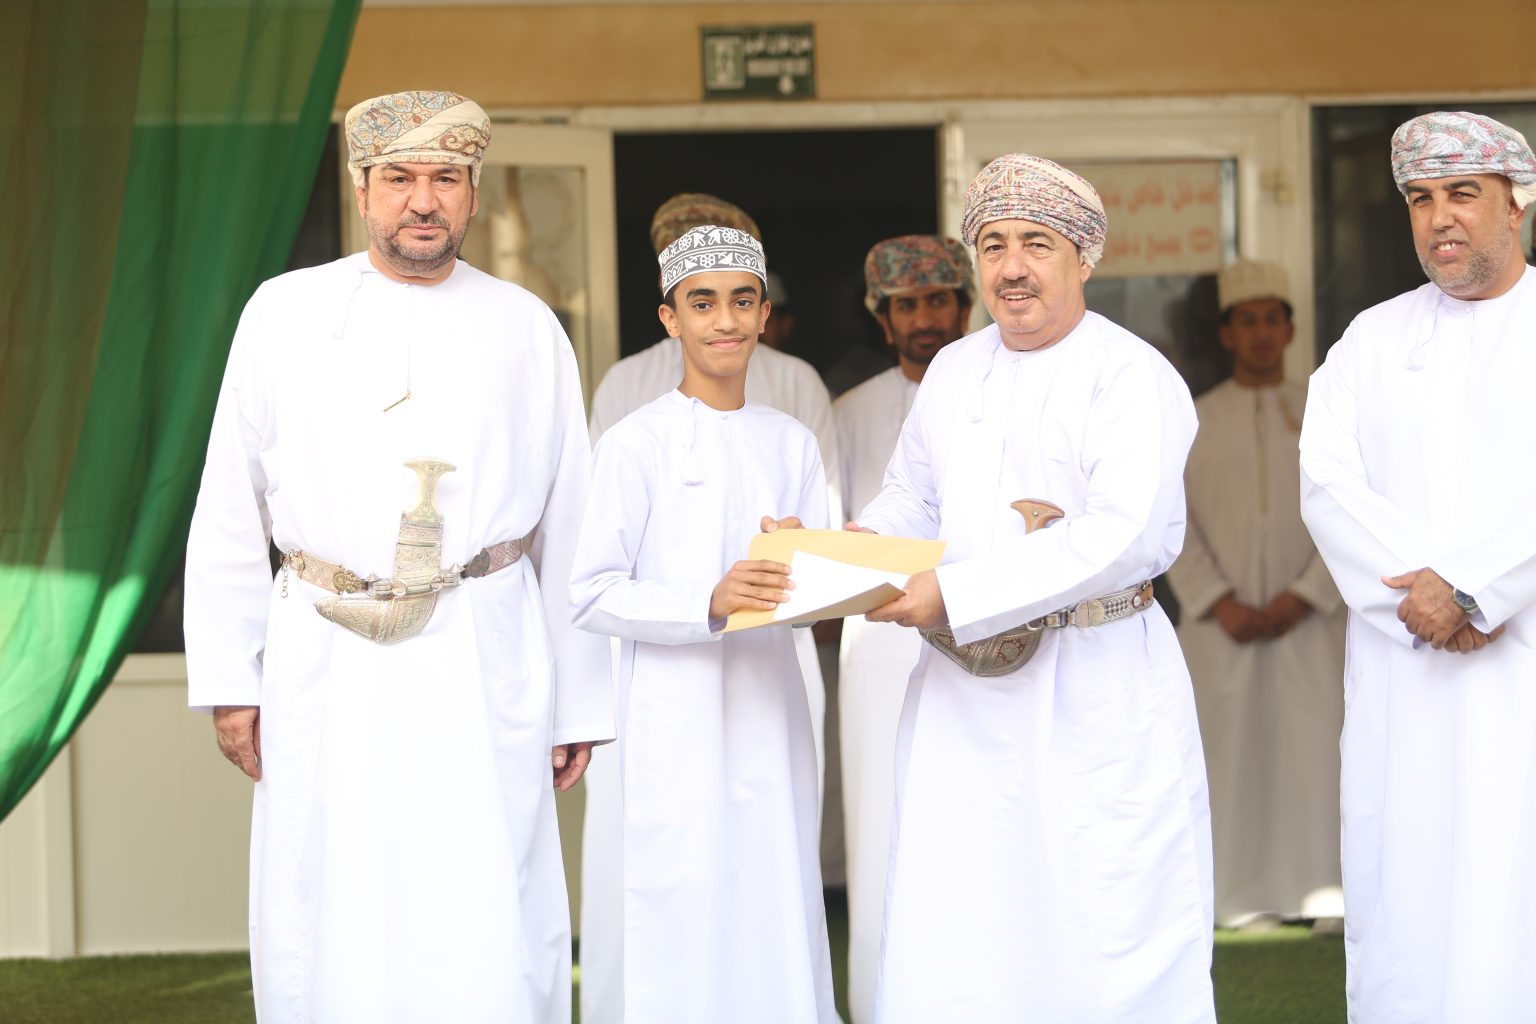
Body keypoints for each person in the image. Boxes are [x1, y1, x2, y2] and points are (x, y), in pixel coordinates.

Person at [183, 91, 611, 1024]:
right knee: (328, 884)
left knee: (486, 885)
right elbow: (228, 505)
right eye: (400, 178)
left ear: (474, 192)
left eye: (445, 178)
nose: (424, 200)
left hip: (484, 650)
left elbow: (570, 519)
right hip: (327, 653)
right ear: (362, 189)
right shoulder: (283, 313)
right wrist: (230, 679)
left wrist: (577, 698)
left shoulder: (527, 326)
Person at [854, 154, 1215, 1022]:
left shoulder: (1131, 374)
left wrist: (957, 594)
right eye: (993, 245)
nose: (1011, 267)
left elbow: (1125, 534)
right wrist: (854, 552)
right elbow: (911, 498)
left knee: (1103, 923)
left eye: (1036, 244)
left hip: (1097, 683)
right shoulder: (955, 370)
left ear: (1084, 258)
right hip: (960, 696)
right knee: (963, 915)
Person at [1299, 110, 1536, 1023]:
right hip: (1406, 665)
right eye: (1421, 198)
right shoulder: (1371, 339)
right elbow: (1327, 484)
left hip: (1520, 668)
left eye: (1463, 194)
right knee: (1408, 889)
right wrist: (1431, 593)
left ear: (1515, 204)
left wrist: (1477, 589)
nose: (1440, 217)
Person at [569, 225, 839, 1023]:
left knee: (773, 886)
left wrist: (810, 563)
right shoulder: (634, 443)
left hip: (772, 703)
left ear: (765, 316)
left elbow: (818, 597)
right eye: (703, 303)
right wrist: (707, 601)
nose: (725, 320)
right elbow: (591, 593)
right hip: (672, 715)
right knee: (681, 893)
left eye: (742, 301)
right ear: (670, 319)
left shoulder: (791, 442)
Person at [1168, 259, 1345, 929]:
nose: (1262, 333)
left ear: (1291, 329)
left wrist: (1307, 594)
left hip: (1313, 622)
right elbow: (1172, 520)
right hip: (1222, 626)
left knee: (1320, 751)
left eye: (1273, 319)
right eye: (1248, 321)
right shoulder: (1194, 420)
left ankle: (1328, 893)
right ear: (1227, 334)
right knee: (1228, 755)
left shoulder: (1325, 413)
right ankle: (1239, 897)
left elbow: (1348, 513)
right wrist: (1217, 599)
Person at [833, 234, 973, 1022]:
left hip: (984, 628)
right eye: (907, 305)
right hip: (880, 640)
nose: (925, 319)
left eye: (938, 300)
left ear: (964, 307)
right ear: (882, 320)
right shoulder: (848, 413)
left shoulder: (990, 390)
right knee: (883, 816)